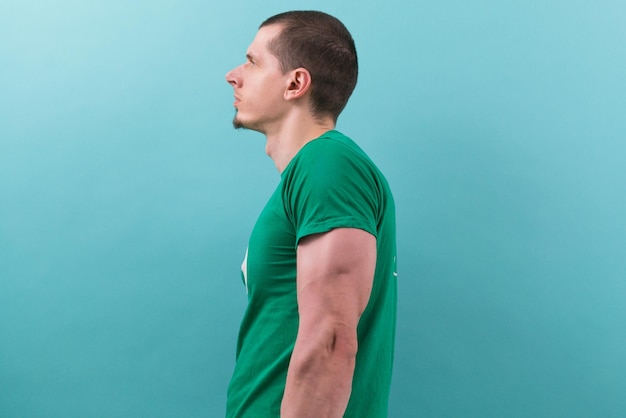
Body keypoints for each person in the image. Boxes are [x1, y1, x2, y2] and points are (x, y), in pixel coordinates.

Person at [224, 10, 397, 418]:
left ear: (296, 83)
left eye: (252, 62)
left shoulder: (329, 164)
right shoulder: (315, 171)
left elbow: (331, 341)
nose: (234, 75)